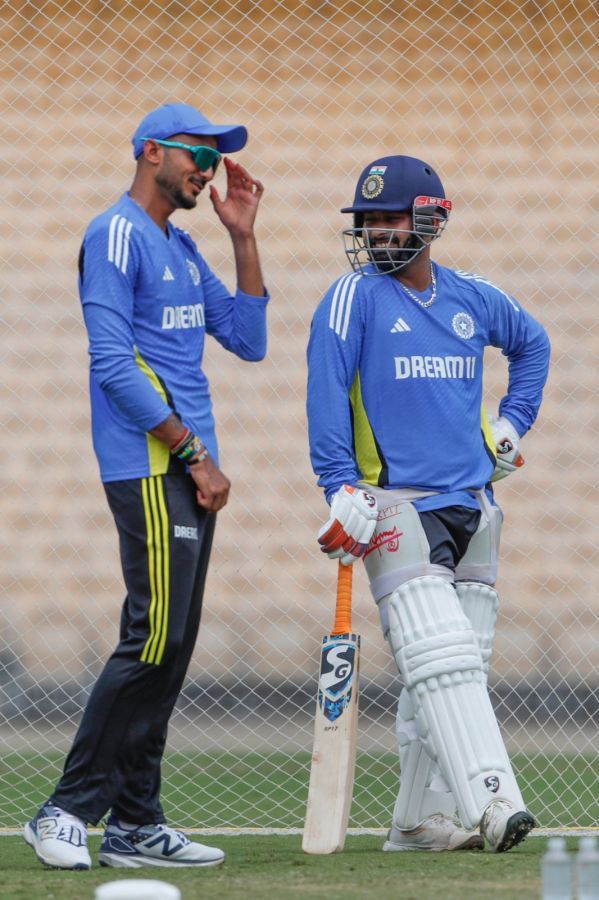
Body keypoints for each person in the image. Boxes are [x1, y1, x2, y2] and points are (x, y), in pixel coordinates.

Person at [24, 102, 268, 870]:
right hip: (155, 463)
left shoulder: (184, 241)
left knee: (173, 646)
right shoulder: (115, 233)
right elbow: (111, 362)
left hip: (192, 467)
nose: (206, 166)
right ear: (151, 151)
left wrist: (243, 237)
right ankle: (65, 809)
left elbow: (250, 339)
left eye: (213, 155)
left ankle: (135, 821)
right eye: (196, 153)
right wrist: (192, 452)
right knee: (152, 637)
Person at [306, 155, 550, 853]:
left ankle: (415, 822)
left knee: (447, 669)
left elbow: (533, 345)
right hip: (394, 505)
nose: (378, 232)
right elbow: (324, 397)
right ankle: (494, 801)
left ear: (432, 218)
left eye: (391, 218)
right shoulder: (351, 298)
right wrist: (338, 485)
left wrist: (511, 424)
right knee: (441, 658)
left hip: (473, 506)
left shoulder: (471, 297)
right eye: (369, 221)